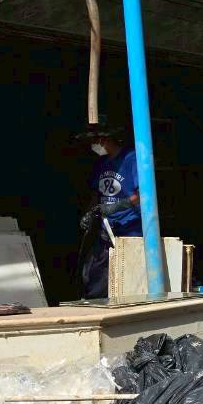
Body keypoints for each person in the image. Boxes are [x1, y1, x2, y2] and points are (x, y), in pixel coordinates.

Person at [78, 124, 141, 299]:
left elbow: (142, 195)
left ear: (105, 139)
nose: (94, 145)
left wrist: (115, 207)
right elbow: (96, 193)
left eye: (95, 140)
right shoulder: (102, 163)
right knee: (95, 274)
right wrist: (89, 214)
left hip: (129, 228)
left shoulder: (132, 159)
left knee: (127, 275)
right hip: (106, 228)